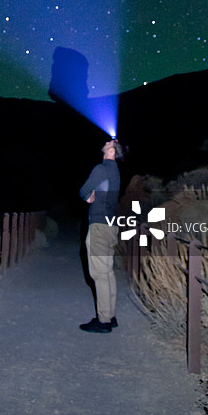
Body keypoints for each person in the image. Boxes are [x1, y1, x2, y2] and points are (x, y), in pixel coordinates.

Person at [79, 139, 123, 333]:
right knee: (108, 272)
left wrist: (87, 196)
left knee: (99, 274)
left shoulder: (101, 168)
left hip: (99, 225)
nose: (105, 142)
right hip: (111, 226)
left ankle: (103, 321)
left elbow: (83, 190)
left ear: (112, 150)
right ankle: (110, 316)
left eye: (109, 142)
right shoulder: (115, 172)